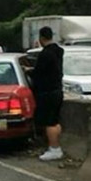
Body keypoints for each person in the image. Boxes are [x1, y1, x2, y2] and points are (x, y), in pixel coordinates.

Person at [29, 26, 64, 161]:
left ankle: (54, 149)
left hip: (48, 93)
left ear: (41, 38)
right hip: (57, 90)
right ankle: (54, 147)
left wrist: (29, 71)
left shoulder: (45, 54)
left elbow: (39, 73)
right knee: (55, 121)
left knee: (49, 122)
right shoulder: (58, 52)